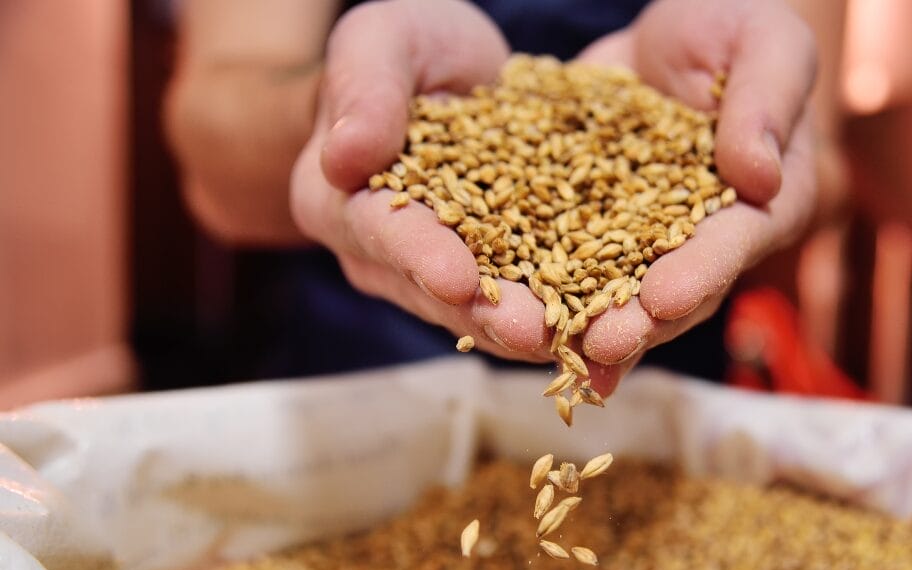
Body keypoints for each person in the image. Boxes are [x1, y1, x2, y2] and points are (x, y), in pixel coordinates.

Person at [165, 0, 821, 397]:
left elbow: (832, 157)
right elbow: (211, 152)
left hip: (663, 395)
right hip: (358, 386)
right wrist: (340, 109)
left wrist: (763, 134)